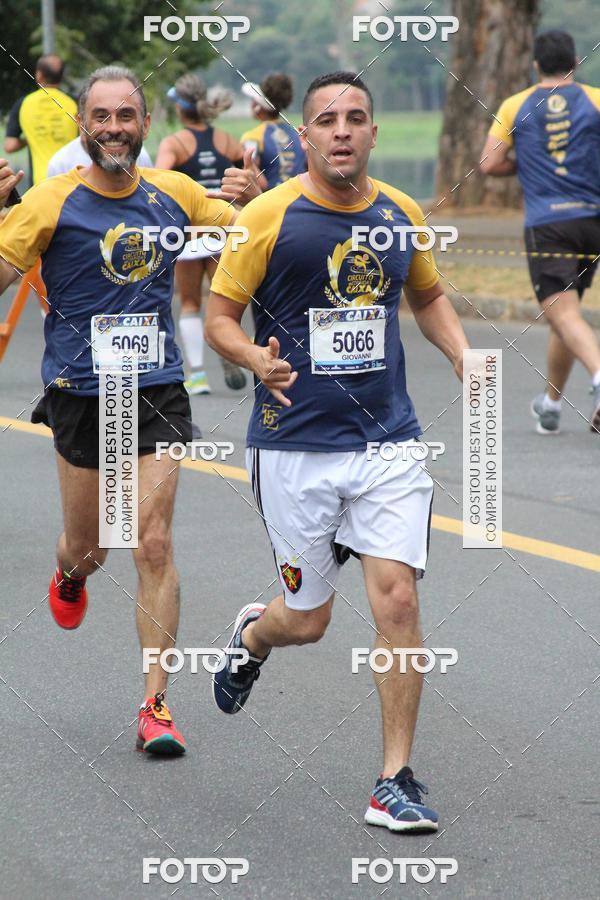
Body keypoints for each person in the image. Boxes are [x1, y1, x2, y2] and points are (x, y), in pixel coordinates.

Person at [205, 71, 470, 832]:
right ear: (307, 136)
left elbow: (428, 295)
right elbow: (220, 316)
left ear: (374, 132)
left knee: (399, 599)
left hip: (386, 439)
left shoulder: (401, 213)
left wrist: (458, 353)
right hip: (293, 447)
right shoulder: (266, 217)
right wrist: (254, 358)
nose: (344, 130)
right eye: (328, 119)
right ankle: (255, 634)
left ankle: (394, 780)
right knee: (308, 621)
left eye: (357, 117)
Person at [0, 65, 237, 756]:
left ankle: (155, 707)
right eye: (100, 116)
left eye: (125, 115)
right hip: (80, 392)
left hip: (156, 386)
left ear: (144, 125)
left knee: (153, 541)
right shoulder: (49, 201)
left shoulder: (175, 192)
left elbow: (254, 235)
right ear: (81, 125)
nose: (112, 128)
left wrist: (254, 202)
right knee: (91, 548)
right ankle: (70, 573)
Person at [481, 30, 600, 435]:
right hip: (591, 223)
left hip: (548, 225)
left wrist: (527, 160)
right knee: (565, 317)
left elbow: (489, 164)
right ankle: (550, 404)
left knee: (564, 314)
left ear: (535, 65)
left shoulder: (515, 106)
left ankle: (599, 376)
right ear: (575, 63)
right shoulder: (595, 98)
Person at [156, 74, 247, 395]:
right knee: (222, 302)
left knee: (191, 302)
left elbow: (160, 183)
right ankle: (226, 350)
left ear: (180, 109)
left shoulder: (175, 144)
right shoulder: (226, 140)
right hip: (223, 229)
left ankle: (197, 374)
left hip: (191, 234)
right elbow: (250, 173)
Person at [4, 55, 78, 186]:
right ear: (61, 76)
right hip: (72, 179)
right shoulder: (74, 103)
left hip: (40, 183)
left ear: (39, 75)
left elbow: (10, 146)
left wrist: (30, 137)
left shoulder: (24, 103)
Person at [240, 73, 306, 190]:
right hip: (298, 199)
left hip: (270, 203)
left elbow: (254, 178)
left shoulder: (252, 137)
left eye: (253, 100)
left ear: (258, 105)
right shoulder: (298, 134)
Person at [47, 134, 154, 176]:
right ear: (81, 123)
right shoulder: (60, 162)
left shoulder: (140, 155)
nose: (113, 128)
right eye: (101, 118)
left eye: (124, 117)